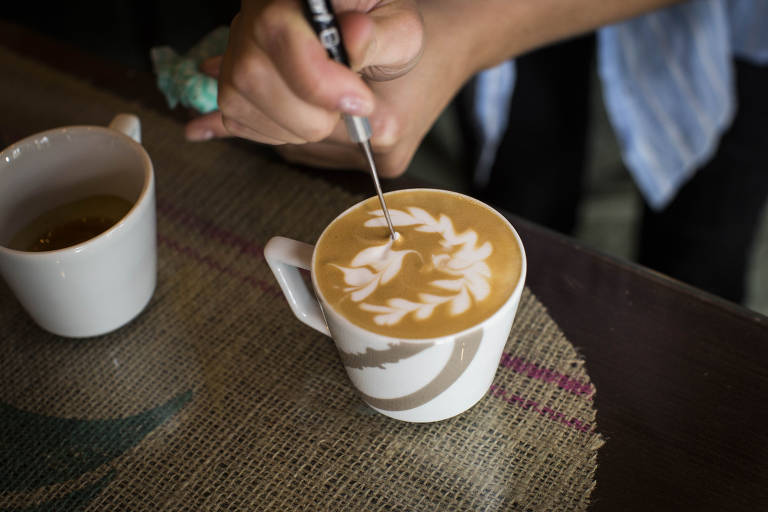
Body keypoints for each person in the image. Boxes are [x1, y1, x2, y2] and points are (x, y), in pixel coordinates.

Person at [184, 0, 768, 304]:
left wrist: (460, 37)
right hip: (448, 40)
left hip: (735, 48)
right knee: (525, 208)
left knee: (705, 267)